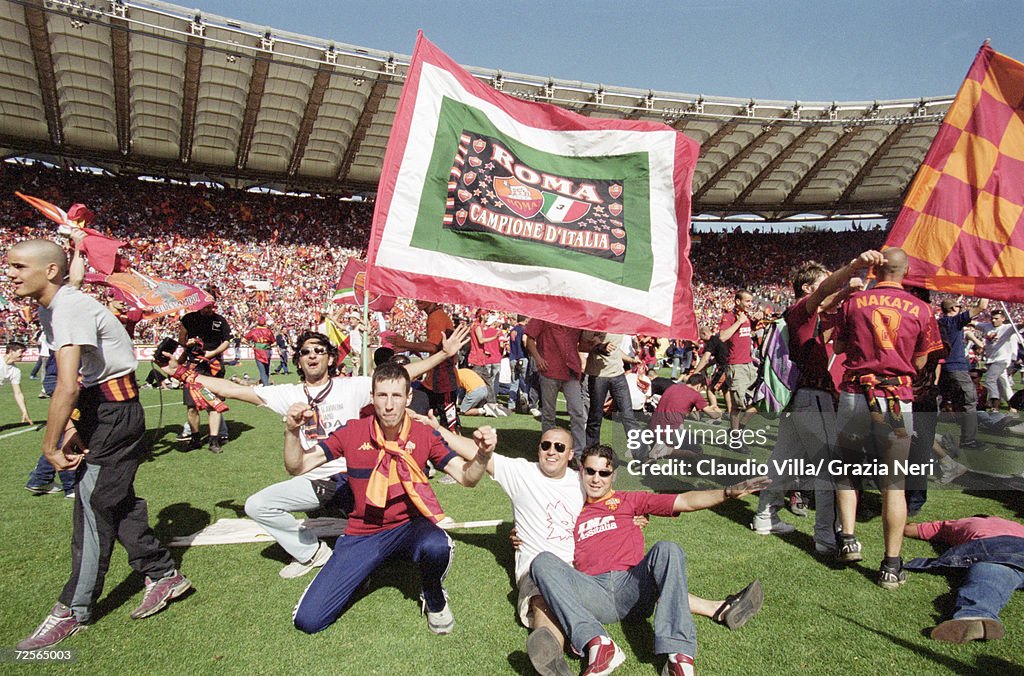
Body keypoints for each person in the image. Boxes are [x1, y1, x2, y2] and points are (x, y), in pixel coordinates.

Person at [157, 326, 470, 578]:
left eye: (320, 350)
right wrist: (182, 373)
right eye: (306, 351)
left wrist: (444, 353)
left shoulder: (351, 386)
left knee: (396, 527)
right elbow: (233, 390)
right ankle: (312, 553)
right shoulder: (287, 394)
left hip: (359, 477)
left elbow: (403, 375)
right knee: (258, 505)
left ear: (331, 359)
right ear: (298, 360)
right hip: (315, 479)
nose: (312, 356)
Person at [7, 239, 190, 651]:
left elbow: (67, 386)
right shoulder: (54, 303)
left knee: (93, 505)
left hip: (115, 412)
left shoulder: (68, 307)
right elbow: (80, 381)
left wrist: (50, 444)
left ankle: (74, 608)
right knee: (114, 499)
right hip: (101, 407)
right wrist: (76, 422)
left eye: (19, 266)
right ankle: (163, 573)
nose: (11, 274)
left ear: (49, 271)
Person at [460, 429, 761, 676]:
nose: (596, 479)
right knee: (541, 562)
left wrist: (726, 492)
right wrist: (519, 534)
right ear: (580, 471)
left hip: (632, 587)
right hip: (594, 592)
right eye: (590, 471)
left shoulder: (629, 501)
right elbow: (542, 523)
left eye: (604, 473)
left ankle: (679, 657)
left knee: (668, 549)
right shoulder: (573, 505)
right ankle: (598, 643)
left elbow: (684, 501)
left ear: (613, 475)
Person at [287, 361, 496, 635]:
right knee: (308, 621)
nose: (388, 405)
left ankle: (434, 596)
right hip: (363, 532)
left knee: (437, 546)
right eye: (382, 396)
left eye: (396, 396)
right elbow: (297, 466)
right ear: (372, 397)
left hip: (409, 527)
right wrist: (292, 431)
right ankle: (363, 569)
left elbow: (467, 477)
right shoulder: (352, 432)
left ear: (408, 397)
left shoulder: (424, 434)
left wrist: (482, 456)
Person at [750, 252, 882, 544]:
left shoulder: (810, 317)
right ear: (808, 288)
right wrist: (852, 267)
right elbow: (825, 294)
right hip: (813, 399)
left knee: (782, 463)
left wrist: (845, 293)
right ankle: (826, 536)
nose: (831, 286)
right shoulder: (802, 309)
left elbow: (829, 312)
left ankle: (765, 517)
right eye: (824, 282)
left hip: (801, 399)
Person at [832, 247, 944, 589]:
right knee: (893, 484)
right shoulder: (922, 309)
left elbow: (838, 348)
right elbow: (921, 362)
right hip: (896, 399)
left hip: (856, 394)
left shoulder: (853, 302)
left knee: (847, 471)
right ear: (905, 271)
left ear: (876, 270)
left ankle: (848, 539)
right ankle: (891, 566)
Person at [904, 515, 1024, 643]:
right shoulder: (1019, 526)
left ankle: (976, 614)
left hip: (997, 549)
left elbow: (912, 530)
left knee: (989, 578)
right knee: (998, 574)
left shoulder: (966, 522)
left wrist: (907, 524)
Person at [389, 300, 460, 432]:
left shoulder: (436, 316)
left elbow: (433, 346)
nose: (418, 301)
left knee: (449, 425)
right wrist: (408, 347)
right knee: (419, 410)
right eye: (417, 298)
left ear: (433, 300)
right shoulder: (436, 315)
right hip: (435, 379)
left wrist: (405, 344)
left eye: (422, 298)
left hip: (443, 380)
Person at [177, 290, 232, 452]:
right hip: (193, 367)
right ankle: (195, 438)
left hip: (213, 366)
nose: (209, 309)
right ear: (199, 305)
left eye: (211, 306)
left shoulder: (220, 320)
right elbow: (181, 339)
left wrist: (212, 353)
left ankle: (214, 440)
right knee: (191, 406)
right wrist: (187, 343)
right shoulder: (188, 319)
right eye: (206, 306)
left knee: (214, 404)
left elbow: (227, 341)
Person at [525, 318, 586, 455]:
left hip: (570, 370)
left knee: (577, 412)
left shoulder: (576, 318)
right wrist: (538, 358)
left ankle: (579, 452)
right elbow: (529, 339)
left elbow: (582, 344)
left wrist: (598, 344)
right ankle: (548, 448)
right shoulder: (544, 315)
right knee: (549, 414)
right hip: (550, 369)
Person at [937, 297, 988, 450]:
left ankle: (923, 433)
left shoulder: (938, 323)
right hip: (956, 368)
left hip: (940, 368)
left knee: (937, 401)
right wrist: (984, 289)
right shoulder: (955, 321)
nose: (960, 309)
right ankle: (968, 440)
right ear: (953, 309)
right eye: (958, 307)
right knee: (969, 402)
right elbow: (982, 306)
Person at [581, 331, 641, 450]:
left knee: (628, 416)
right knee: (595, 418)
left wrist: (632, 360)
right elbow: (582, 346)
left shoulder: (618, 325)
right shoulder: (594, 325)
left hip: (618, 374)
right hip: (598, 375)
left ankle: (641, 455)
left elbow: (616, 350)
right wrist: (600, 347)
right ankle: (592, 452)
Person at [717, 290, 758, 445]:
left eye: (751, 301)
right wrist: (739, 322)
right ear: (737, 302)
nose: (750, 304)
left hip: (749, 364)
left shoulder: (747, 317)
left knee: (759, 399)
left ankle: (738, 429)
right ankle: (736, 436)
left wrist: (755, 321)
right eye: (747, 301)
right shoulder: (729, 317)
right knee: (738, 404)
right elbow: (723, 337)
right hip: (736, 365)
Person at [979, 309, 1021, 412]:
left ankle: (995, 404)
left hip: (1001, 360)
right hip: (990, 360)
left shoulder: (1008, 328)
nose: (993, 320)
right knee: (1003, 384)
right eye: (992, 318)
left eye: (996, 318)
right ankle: (1013, 406)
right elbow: (973, 323)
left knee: (990, 379)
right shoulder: (986, 326)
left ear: (1003, 319)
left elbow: (1020, 325)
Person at [1, 340, 32, 424]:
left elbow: (18, 393)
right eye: (21, 352)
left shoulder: (16, 371)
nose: (23, 355)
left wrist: (24, 411)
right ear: (11, 351)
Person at [245, 315, 276, 386]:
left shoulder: (253, 331)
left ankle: (265, 386)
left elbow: (244, 340)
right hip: (267, 351)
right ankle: (266, 384)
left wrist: (251, 345)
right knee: (267, 370)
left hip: (258, 352)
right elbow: (274, 343)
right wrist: (268, 346)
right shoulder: (268, 331)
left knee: (262, 371)